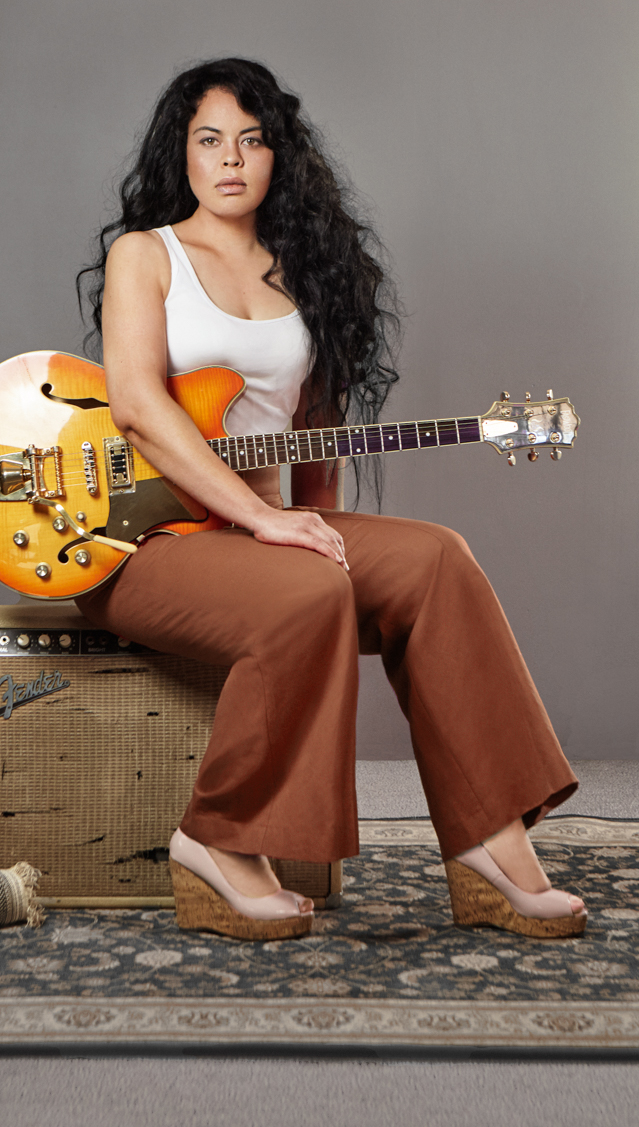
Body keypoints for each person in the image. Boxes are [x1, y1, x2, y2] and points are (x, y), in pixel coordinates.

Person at [75, 58, 587, 941]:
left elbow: (314, 435)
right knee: (308, 587)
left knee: (437, 559)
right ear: (181, 154)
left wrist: (316, 526)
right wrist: (266, 523)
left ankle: (491, 840)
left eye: (252, 140)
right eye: (209, 140)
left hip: (261, 528)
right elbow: (137, 406)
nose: (230, 158)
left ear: (279, 156)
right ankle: (216, 839)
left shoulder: (307, 271)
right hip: (143, 540)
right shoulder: (145, 256)